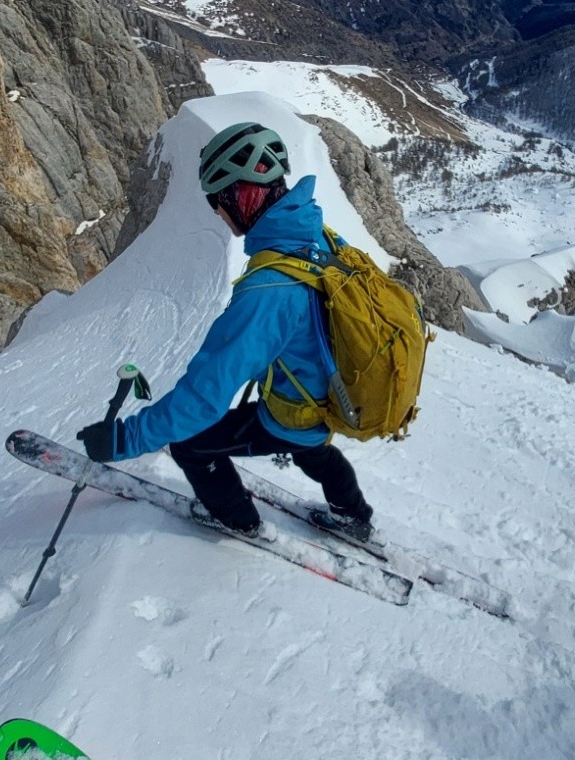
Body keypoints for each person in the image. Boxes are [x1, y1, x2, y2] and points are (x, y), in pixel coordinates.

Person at [77, 121, 375, 542]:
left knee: (191, 445)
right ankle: (354, 515)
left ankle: (237, 521)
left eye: (218, 200)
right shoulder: (316, 235)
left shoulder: (268, 290)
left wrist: (124, 438)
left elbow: (203, 399)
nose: (216, 211)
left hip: (294, 410)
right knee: (312, 448)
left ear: (243, 193)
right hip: (326, 395)